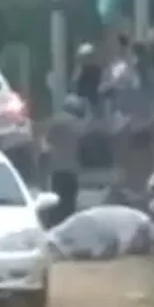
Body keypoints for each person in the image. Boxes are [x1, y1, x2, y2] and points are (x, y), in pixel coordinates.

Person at [44, 96, 87, 227]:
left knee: (56, 202)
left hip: (56, 169)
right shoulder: (78, 124)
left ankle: (55, 225)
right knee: (69, 203)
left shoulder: (54, 122)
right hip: (72, 169)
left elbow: (47, 142)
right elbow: (83, 145)